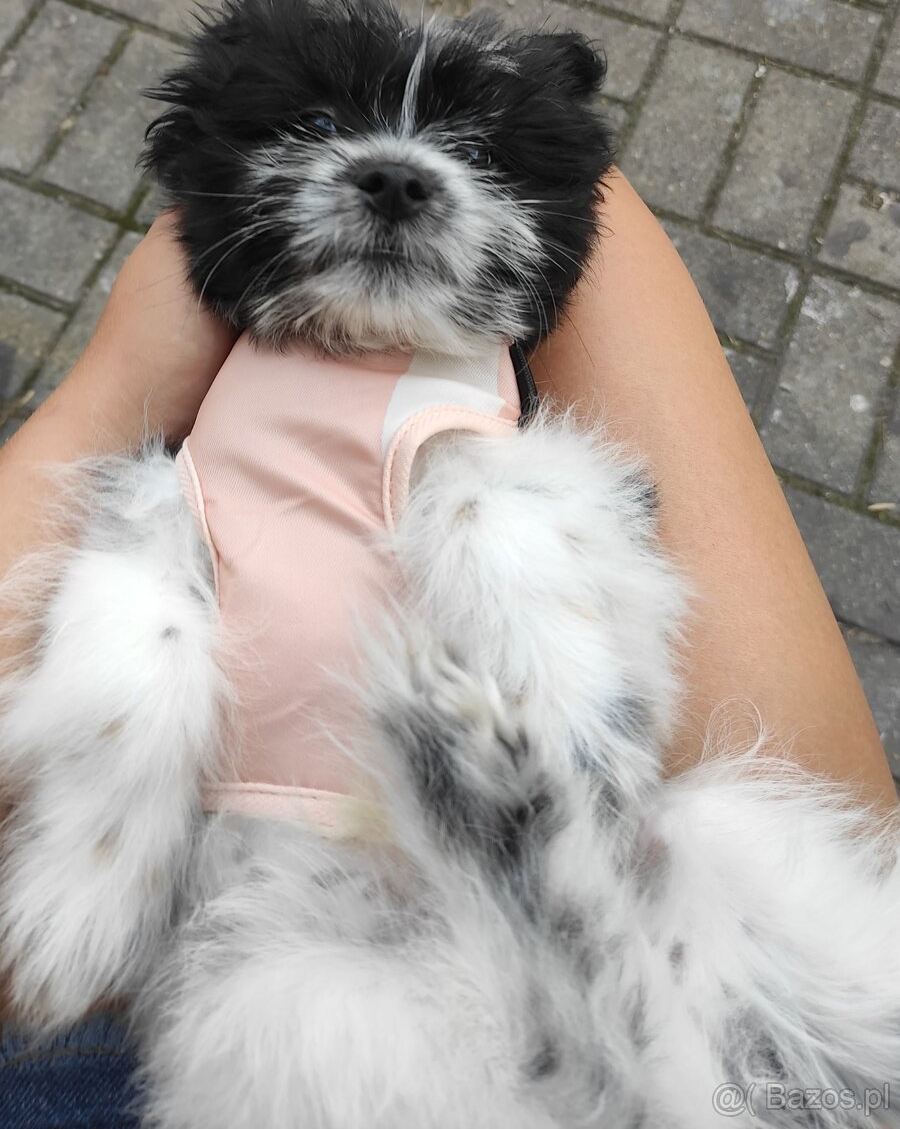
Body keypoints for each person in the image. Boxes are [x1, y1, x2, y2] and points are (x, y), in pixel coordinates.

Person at [0, 175, 895, 1125]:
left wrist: (112, 394)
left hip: (168, 1017)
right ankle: (582, 974)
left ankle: (576, 966)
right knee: (750, 842)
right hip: (503, 1002)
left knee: (296, 1026)